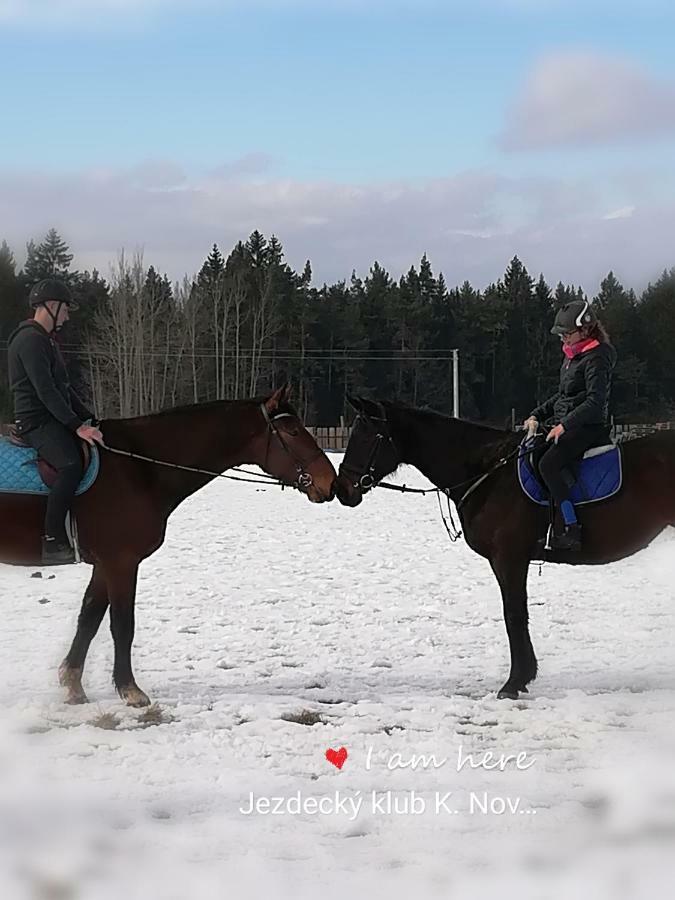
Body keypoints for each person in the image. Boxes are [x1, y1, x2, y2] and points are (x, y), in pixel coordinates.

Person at [7, 278, 103, 565]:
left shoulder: (45, 340)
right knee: (70, 464)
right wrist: (76, 426)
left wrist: (89, 417)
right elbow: (45, 390)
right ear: (50, 306)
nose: (67, 315)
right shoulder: (29, 340)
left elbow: (63, 387)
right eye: (64, 309)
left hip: (51, 416)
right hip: (35, 421)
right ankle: (52, 540)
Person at [523, 300, 616, 552]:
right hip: (567, 423)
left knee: (548, 464)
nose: (563, 339)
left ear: (586, 330)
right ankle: (547, 521)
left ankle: (571, 528)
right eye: (561, 335)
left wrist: (564, 425)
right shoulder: (572, 357)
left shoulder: (597, 357)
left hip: (588, 426)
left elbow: (595, 402)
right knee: (533, 456)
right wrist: (536, 415)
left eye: (567, 334)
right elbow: (562, 396)